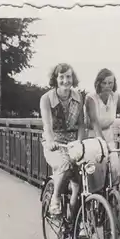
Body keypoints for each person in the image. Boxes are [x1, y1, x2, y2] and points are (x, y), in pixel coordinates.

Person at [40, 63, 102, 217]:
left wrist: (80, 143)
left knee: (82, 178)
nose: (65, 80)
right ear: (55, 79)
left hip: (73, 142)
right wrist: (51, 141)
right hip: (55, 142)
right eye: (61, 77)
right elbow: (47, 125)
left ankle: (74, 222)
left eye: (68, 76)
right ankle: (55, 198)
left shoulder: (77, 97)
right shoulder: (46, 99)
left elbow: (81, 124)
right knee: (65, 165)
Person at [85, 68, 120, 191]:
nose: (107, 86)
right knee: (97, 174)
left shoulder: (115, 97)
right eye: (104, 83)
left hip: (109, 136)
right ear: (98, 83)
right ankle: (94, 202)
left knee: (115, 170)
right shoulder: (91, 98)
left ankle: (113, 202)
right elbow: (95, 123)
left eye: (110, 83)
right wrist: (102, 143)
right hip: (93, 137)